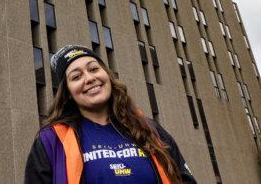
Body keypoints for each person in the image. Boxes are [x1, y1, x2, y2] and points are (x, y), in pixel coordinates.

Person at [24, 45, 196, 184]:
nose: (89, 78)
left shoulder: (150, 129)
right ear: (68, 92)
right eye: (76, 77)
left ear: (107, 75)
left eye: (93, 69)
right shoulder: (51, 139)